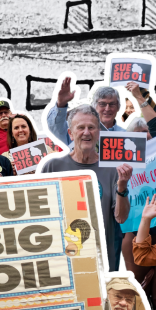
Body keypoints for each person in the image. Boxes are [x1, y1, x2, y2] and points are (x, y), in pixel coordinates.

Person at [39, 105, 132, 270]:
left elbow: (121, 218)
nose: (86, 132)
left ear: (98, 133)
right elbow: (40, 215)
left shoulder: (113, 169)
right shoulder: (53, 167)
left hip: (102, 263)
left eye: (91, 127)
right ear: (70, 133)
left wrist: (122, 187)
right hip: (63, 262)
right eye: (80, 127)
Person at [47, 80, 124, 147]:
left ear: (118, 107)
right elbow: (55, 126)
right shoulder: (76, 130)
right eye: (102, 104)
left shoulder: (125, 135)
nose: (107, 109)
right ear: (94, 107)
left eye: (112, 104)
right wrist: (61, 104)